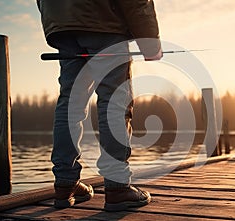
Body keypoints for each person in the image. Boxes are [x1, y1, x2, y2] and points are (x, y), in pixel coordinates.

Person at [36, 0, 162, 212]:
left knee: (70, 102)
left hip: (61, 23)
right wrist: (150, 43)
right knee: (114, 100)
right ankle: (117, 186)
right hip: (103, 20)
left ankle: (65, 183)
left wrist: (59, 20)